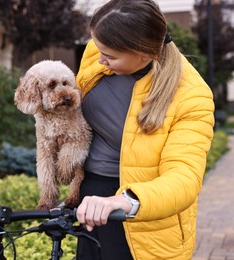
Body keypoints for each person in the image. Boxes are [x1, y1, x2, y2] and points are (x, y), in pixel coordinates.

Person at [74, 0, 215, 259]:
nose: (100, 59)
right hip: (92, 199)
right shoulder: (99, 49)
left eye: (111, 56)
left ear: (145, 52)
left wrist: (123, 201)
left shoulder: (191, 96)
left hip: (142, 213)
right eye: (97, 47)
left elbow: (183, 180)